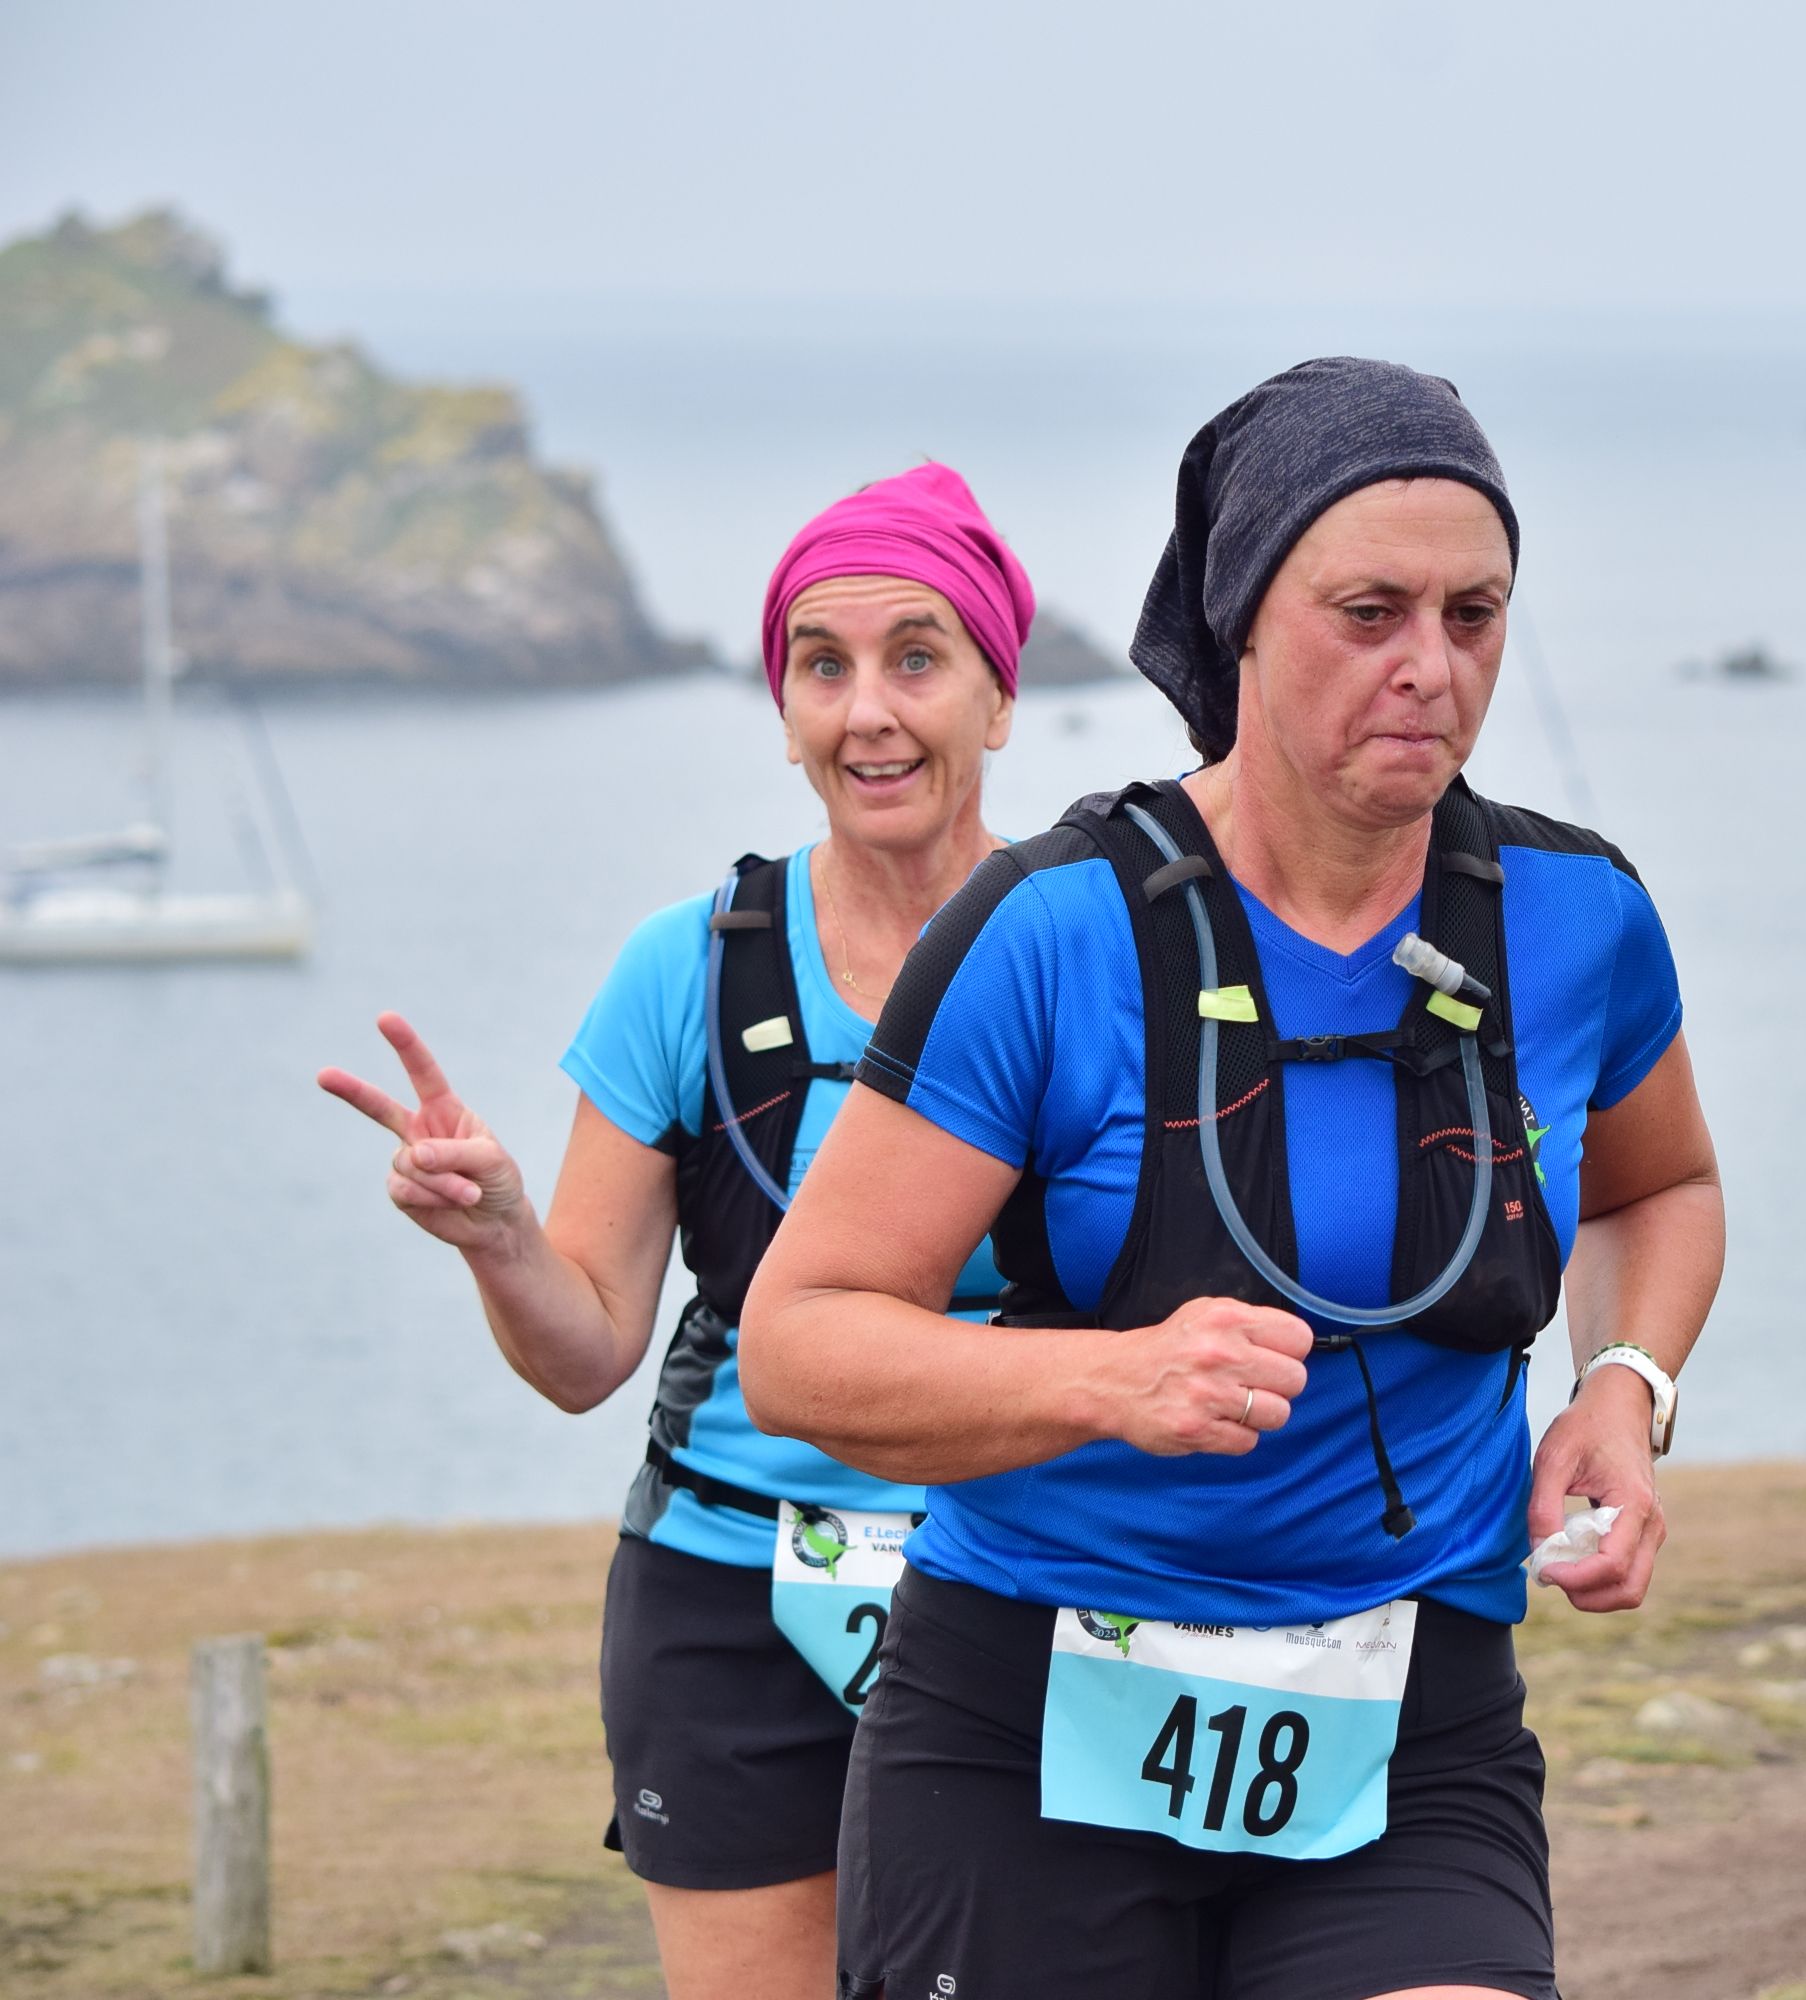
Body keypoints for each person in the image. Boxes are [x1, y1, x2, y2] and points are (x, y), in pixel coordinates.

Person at [742, 358, 1727, 2000]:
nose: (1431, 668)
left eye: (1473, 616)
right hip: (1026, 1724)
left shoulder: (1577, 918)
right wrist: (1113, 1381)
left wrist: (1623, 1387)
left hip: (1408, 1719)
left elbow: (1658, 1189)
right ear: (1244, 621)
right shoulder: (1050, 933)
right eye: (1370, 614)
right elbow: (801, 1344)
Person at [315, 463, 1036, 2000]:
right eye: (822, 668)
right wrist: (501, 1237)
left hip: (1029, 1581)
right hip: (726, 1594)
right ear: (782, 711)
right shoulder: (688, 969)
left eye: (917, 659)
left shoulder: (1092, 952)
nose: (868, 713)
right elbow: (586, 1353)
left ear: (1000, 696)